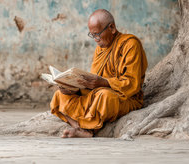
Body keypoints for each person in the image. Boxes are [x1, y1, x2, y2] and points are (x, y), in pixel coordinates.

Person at [50, 9, 148, 138]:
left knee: (105, 97)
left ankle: (89, 130)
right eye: (92, 35)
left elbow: (132, 83)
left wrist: (105, 82)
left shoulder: (130, 44)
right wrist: (73, 89)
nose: (95, 40)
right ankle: (78, 126)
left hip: (124, 97)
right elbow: (93, 83)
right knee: (59, 96)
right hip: (97, 94)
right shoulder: (100, 49)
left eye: (97, 34)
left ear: (112, 28)